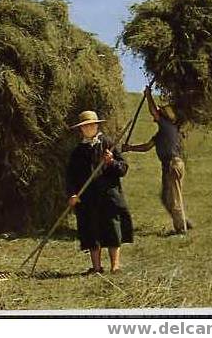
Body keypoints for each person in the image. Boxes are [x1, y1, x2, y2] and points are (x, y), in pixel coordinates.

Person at [66, 110, 133, 274]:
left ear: (97, 125)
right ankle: (96, 267)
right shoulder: (78, 151)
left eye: (91, 125)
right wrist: (72, 194)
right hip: (87, 199)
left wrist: (111, 162)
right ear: (81, 129)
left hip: (109, 195)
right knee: (91, 231)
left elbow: (123, 169)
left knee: (112, 229)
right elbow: (70, 176)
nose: (88, 128)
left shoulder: (108, 144)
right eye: (85, 126)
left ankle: (115, 266)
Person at [122, 86, 193, 235]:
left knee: (173, 197)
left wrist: (148, 95)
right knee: (166, 197)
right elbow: (146, 147)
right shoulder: (161, 133)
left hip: (172, 164)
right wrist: (129, 148)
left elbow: (153, 111)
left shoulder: (168, 127)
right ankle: (184, 221)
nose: (155, 115)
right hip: (169, 165)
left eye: (159, 113)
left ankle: (181, 230)